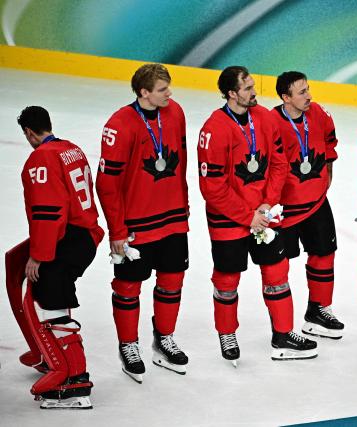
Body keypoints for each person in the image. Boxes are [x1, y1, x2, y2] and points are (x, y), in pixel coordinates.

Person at [198, 66, 318, 364]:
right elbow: (212, 188)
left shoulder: (264, 118)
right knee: (227, 280)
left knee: (277, 273)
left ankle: (283, 334)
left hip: (264, 214)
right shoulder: (213, 129)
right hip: (229, 218)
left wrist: (267, 204)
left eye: (253, 85)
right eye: (248, 88)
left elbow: (279, 164)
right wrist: (246, 215)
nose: (254, 92)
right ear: (231, 93)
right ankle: (227, 334)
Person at [96, 63, 189, 383]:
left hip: (173, 218)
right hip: (136, 223)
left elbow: (183, 161)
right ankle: (129, 345)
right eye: (163, 89)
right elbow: (106, 184)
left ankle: (163, 339)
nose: (170, 94)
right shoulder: (120, 125)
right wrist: (117, 231)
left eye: (169, 87)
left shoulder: (175, 112)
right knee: (127, 287)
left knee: (172, 281)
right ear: (143, 92)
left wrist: (184, 205)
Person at [14, 106, 104, 408]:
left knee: (49, 293)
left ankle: (75, 380)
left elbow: (48, 212)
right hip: (84, 235)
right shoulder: (71, 149)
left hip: (68, 238)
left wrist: (38, 256)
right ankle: (45, 353)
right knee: (50, 291)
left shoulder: (41, 157)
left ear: (28, 132)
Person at [270, 71, 344, 339]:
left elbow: (330, 146)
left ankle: (318, 311)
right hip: (284, 209)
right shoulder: (270, 122)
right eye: (301, 92)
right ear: (285, 97)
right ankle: (283, 327)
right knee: (279, 266)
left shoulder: (320, 114)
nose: (309, 96)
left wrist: (327, 177)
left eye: (308, 89)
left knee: (324, 254)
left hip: (315, 202)